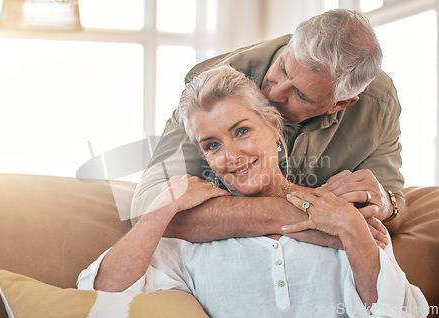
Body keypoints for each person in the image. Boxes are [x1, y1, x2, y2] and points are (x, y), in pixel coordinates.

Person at [78, 65, 428, 317]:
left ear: (274, 128)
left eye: (242, 131)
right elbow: (101, 294)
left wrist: (351, 229)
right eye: (212, 145)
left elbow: (400, 313)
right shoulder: (189, 241)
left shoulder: (339, 216)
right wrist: (160, 212)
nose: (231, 156)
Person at [130, 9, 406, 247]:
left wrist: (385, 205)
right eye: (283, 67)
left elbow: (395, 211)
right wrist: (311, 215)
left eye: (301, 94)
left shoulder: (379, 104)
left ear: (341, 103)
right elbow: (147, 211)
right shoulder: (213, 88)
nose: (274, 93)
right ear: (291, 44)